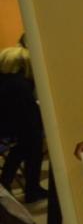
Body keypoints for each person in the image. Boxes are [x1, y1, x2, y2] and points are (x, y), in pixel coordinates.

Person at [0, 46, 47, 201]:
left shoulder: (4, 81)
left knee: (22, 147)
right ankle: (32, 189)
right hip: (16, 127)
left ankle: (6, 183)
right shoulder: (20, 84)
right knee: (34, 143)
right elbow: (30, 113)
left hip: (6, 128)